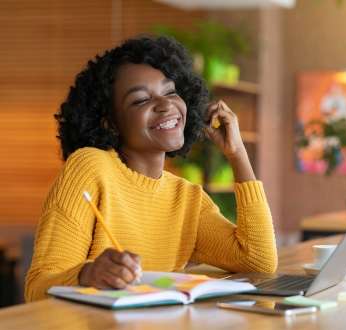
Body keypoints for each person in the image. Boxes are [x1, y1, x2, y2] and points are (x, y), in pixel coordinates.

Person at [25, 36, 278, 302]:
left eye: (170, 92)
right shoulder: (91, 167)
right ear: (110, 123)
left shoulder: (186, 197)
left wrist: (237, 154)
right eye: (140, 100)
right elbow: (37, 288)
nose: (166, 104)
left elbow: (258, 261)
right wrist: (87, 275)